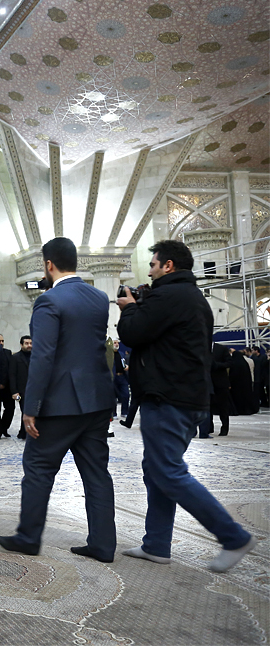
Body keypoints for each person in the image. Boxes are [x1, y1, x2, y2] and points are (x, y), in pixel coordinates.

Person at [117, 240, 256, 572]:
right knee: (157, 471)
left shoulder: (172, 295)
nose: (148, 271)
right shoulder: (190, 297)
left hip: (169, 397)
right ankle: (156, 545)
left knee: (168, 471)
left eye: (152, 265)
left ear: (168, 265)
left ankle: (233, 536)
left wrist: (130, 307)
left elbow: (134, 333)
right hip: (183, 395)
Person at [0, 236, 116, 563]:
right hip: (97, 401)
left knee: (37, 467)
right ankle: (103, 544)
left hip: (60, 404)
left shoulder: (49, 301)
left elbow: (43, 357)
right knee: (97, 474)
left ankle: (28, 537)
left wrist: (30, 409)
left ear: (48, 264)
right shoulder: (99, 298)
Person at [0, 332, 15, 439]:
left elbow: (9, 369)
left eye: (2, 341)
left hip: (7, 387)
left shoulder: (8, 352)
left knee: (10, 408)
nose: (1, 343)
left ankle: (4, 428)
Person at [206, 343, 232, 437]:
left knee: (223, 407)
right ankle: (209, 427)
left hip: (220, 382)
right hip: (207, 382)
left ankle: (224, 428)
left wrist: (217, 365)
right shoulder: (202, 347)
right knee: (208, 406)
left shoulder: (221, 348)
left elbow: (229, 362)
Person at [10, 335, 32, 440]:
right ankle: (25, 433)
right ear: (21, 344)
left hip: (33, 389)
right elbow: (12, 375)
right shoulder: (15, 358)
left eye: (31, 343)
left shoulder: (36, 356)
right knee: (25, 410)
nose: (29, 345)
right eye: (26, 343)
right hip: (22, 390)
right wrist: (14, 391)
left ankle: (25, 432)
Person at [228, 348, 255, 416]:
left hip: (236, 386)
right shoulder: (245, 363)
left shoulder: (234, 364)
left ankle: (238, 410)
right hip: (245, 385)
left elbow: (233, 375)